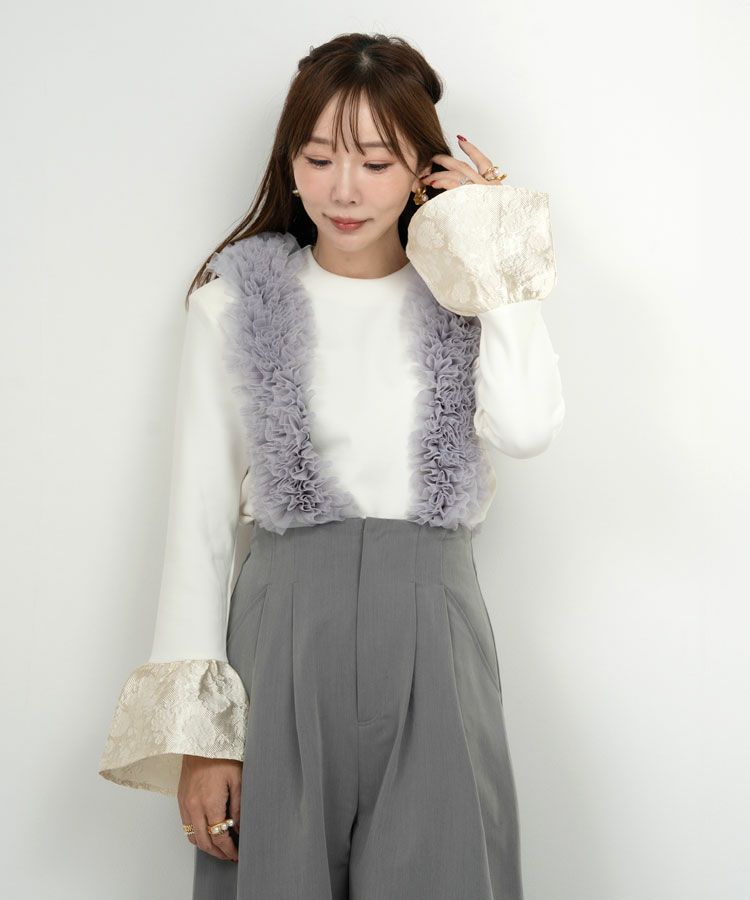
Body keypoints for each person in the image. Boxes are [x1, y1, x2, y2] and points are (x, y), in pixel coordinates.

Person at [98, 31, 564, 900]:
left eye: (377, 163)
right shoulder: (232, 306)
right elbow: (199, 525)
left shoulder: (462, 303)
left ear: (420, 168)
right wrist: (204, 740)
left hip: (436, 634)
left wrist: (492, 249)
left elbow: (528, 427)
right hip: (281, 643)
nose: (343, 190)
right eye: (318, 158)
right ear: (290, 162)